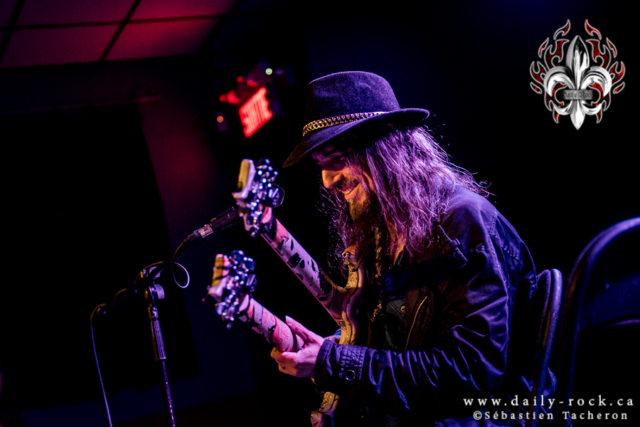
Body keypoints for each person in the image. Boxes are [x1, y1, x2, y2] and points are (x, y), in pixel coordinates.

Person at [268, 71, 555, 426]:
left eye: (337, 157)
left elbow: (468, 374)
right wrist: (331, 349)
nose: (327, 180)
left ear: (383, 149)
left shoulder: (462, 224)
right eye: (320, 165)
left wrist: (334, 363)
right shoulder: (383, 229)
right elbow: (396, 343)